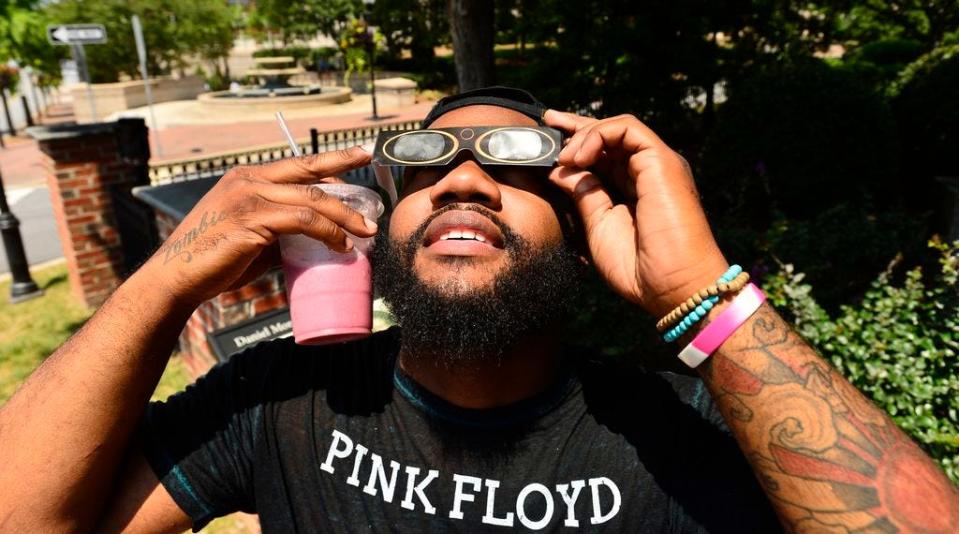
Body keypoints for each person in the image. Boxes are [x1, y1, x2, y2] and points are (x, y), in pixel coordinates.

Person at [0, 87, 956, 533]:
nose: (465, 178)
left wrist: (696, 295)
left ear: (578, 223)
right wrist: (165, 277)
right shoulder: (278, 402)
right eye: (425, 161)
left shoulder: (685, 428)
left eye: (512, 162)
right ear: (378, 221)